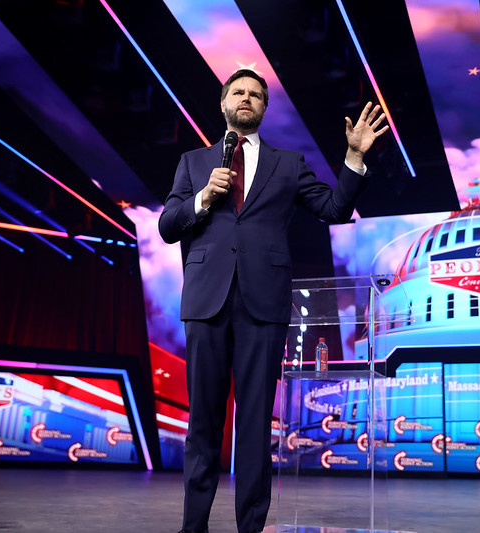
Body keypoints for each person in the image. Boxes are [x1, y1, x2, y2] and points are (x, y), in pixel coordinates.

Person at [158, 68, 388, 533]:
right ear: (224, 101)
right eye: (238, 92)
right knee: (203, 423)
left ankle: (251, 527)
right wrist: (203, 198)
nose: (247, 99)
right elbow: (167, 227)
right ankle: (192, 527)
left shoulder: (288, 163)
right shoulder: (193, 163)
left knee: (256, 422)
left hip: (263, 305)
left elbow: (334, 209)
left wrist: (354, 159)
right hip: (206, 302)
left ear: (264, 108)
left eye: (256, 95)